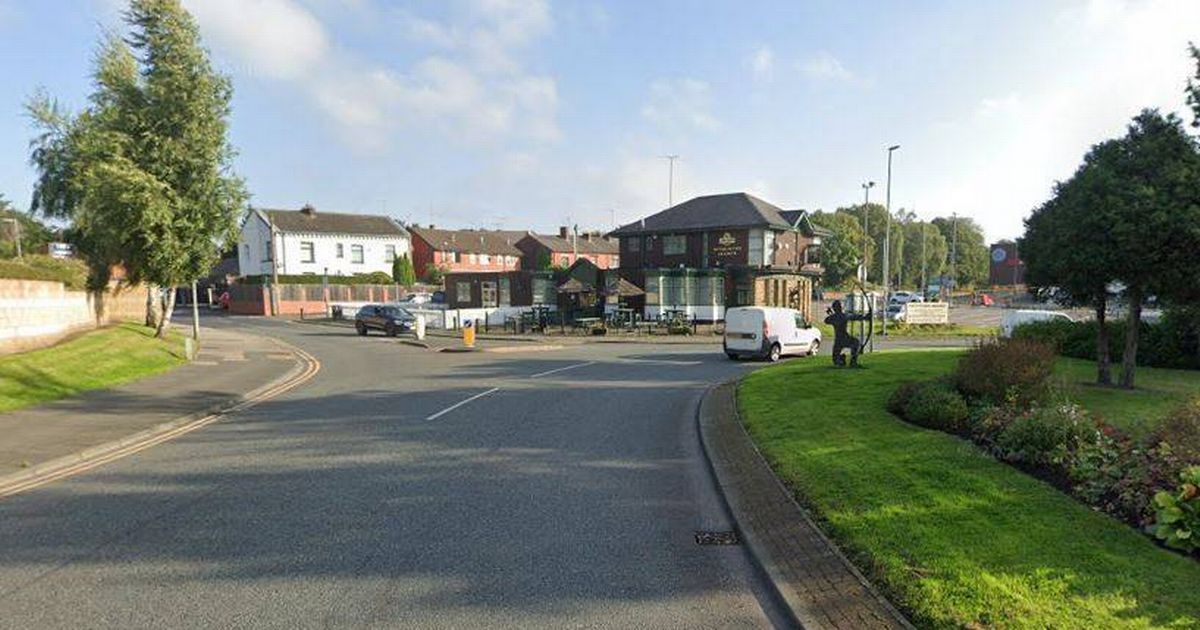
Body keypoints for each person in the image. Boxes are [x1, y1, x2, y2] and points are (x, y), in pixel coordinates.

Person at [823, 299, 870, 367]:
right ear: (841, 308)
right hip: (843, 339)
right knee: (856, 343)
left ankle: (847, 361)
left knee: (856, 342)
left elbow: (827, 320)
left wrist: (831, 313)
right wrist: (865, 317)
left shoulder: (834, 317)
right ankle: (850, 361)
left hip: (839, 340)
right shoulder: (843, 316)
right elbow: (854, 317)